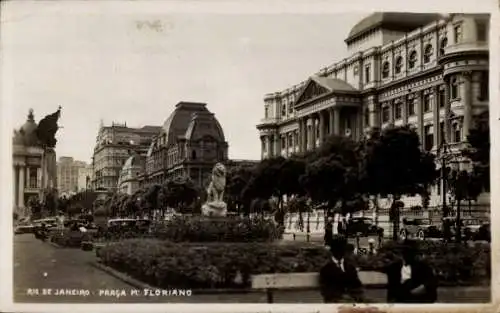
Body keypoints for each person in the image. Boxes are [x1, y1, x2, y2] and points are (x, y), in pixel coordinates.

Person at [319, 235, 365, 303]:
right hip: (335, 302)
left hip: (352, 300)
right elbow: (326, 290)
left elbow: (357, 285)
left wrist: (357, 296)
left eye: (343, 250)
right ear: (333, 251)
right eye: (339, 249)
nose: (342, 252)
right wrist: (341, 297)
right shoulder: (326, 268)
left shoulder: (350, 267)